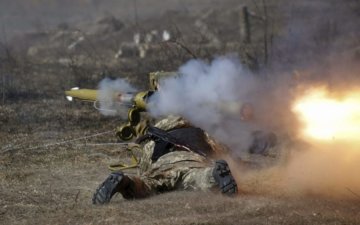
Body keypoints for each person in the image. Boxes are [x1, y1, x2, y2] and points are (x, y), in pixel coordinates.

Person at [92, 115, 238, 204]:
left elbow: (146, 164)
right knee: (199, 179)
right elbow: (221, 151)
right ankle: (214, 174)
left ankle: (124, 181)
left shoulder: (154, 139)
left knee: (145, 186)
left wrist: (145, 176)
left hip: (162, 165)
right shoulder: (202, 133)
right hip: (192, 162)